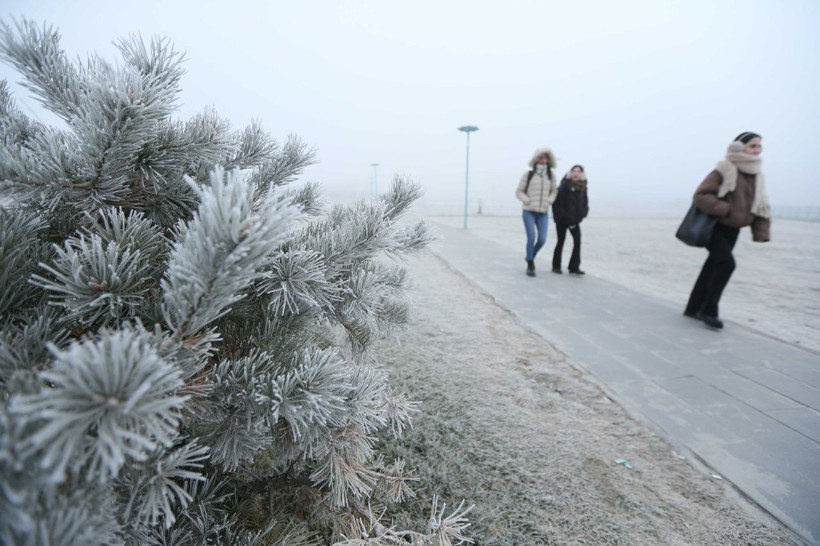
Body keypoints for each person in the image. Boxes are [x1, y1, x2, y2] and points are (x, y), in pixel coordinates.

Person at [684, 132, 771, 329]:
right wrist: (725, 210)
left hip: (733, 230)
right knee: (726, 264)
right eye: (752, 146)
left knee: (713, 266)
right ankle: (709, 310)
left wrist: (761, 232)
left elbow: (761, 205)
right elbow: (701, 195)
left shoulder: (757, 175)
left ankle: (692, 308)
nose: (757, 150)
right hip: (715, 226)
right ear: (739, 147)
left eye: (759, 147)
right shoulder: (724, 169)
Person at [515, 147, 558, 277]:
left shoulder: (551, 175)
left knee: (542, 239)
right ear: (536, 159)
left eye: (545, 158)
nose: (543, 160)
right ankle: (530, 265)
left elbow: (554, 191)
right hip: (529, 211)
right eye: (541, 157)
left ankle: (530, 256)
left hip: (543, 212)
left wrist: (549, 200)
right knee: (531, 237)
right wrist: (527, 200)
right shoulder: (528, 175)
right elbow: (519, 191)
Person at [551, 165, 589, 275]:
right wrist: (562, 216)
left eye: (578, 172)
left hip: (575, 220)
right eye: (574, 171)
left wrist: (583, 214)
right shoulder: (563, 186)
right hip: (562, 220)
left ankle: (574, 267)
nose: (576, 173)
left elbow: (585, 203)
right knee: (561, 241)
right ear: (570, 173)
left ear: (582, 174)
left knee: (577, 242)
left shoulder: (583, 187)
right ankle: (556, 266)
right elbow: (556, 204)